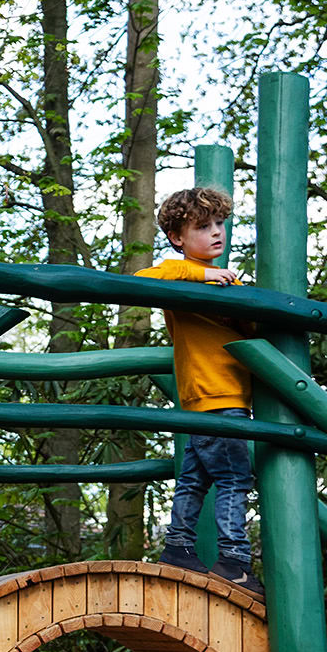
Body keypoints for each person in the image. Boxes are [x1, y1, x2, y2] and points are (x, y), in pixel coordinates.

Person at [134, 187, 264, 599]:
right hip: (218, 397)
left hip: (218, 397)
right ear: (177, 237)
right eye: (203, 226)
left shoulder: (230, 283)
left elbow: (252, 332)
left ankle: (178, 547)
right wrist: (204, 275)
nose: (216, 233)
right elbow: (142, 280)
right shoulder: (180, 277)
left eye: (220, 224)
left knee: (194, 480)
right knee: (233, 479)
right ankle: (234, 561)